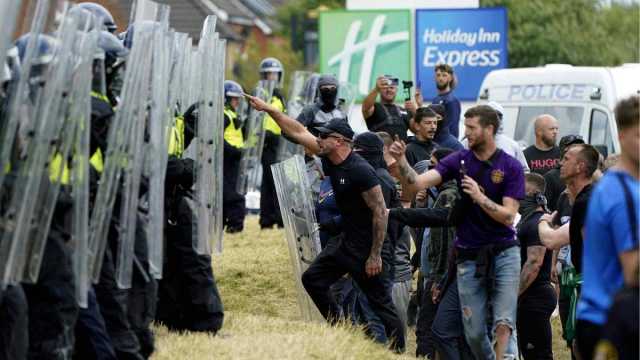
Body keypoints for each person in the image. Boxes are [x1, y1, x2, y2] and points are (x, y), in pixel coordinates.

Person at [245, 93, 406, 353]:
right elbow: (297, 131)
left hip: (366, 249)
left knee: (382, 307)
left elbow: (380, 212)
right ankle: (342, 330)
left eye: (324, 136)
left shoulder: (360, 170)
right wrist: (268, 109)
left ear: (339, 141)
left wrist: (375, 255)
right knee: (312, 279)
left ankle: (398, 353)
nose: (318, 139)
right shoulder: (330, 159)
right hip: (344, 243)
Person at [389, 104, 524, 360]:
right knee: (472, 333)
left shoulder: (510, 167)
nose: (466, 133)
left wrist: (478, 197)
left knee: (503, 324)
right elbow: (417, 182)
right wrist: (402, 161)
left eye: (471, 128)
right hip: (469, 256)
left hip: (503, 254)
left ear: (489, 129)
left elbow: (508, 216)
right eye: (465, 126)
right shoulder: (460, 160)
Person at [576, 95, 639, 359]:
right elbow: (633, 272)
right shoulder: (622, 192)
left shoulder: (620, 185)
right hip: (610, 320)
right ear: (622, 136)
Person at [516, 173, 556, 360]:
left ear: (532, 193)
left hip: (535, 297)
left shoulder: (536, 223)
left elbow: (534, 263)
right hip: (532, 297)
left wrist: (513, 294)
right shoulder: (533, 221)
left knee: (538, 355)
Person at [461, 101, 530, 172]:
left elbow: (524, 171)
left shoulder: (512, 145)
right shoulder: (467, 143)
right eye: (490, 116)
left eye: (498, 116)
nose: (495, 119)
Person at [258, 57, 286, 229]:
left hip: (279, 142)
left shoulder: (280, 96)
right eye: (269, 74)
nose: (272, 77)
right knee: (272, 182)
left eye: (275, 74)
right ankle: (272, 218)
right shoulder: (262, 94)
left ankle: (270, 218)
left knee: (273, 182)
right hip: (267, 142)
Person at [222, 80, 246, 233]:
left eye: (238, 98)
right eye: (234, 98)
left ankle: (233, 224)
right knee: (233, 193)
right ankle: (234, 225)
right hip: (228, 159)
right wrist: (232, 150)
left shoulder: (232, 114)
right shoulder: (224, 115)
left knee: (235, 191)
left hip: (235, 159)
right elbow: (218, 138)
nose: (237, 101)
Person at [362, 75, 413, 142]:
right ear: (380, 90)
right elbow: (365, 108)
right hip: (380, 150)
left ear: (396, 90)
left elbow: (417, 129)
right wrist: (376, 89)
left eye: (392, 87)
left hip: (401, 150)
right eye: (385, 88)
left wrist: (416, 109)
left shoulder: (403, 110)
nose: (388, 90)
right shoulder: (374, 107)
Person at [543, 135, 585, 212]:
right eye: (573, 148)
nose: (577, 150)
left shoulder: (587, 174)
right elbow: (543, 207)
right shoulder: (551, 177)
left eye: (580, 147)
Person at [431, 64, 461, 139]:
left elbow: (453, 130)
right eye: (438, 75)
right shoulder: (435, 100)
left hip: (447, 147)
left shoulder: (452, 101)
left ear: (450, 78)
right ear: (434, 77)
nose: (440, 78)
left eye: (444, 75)